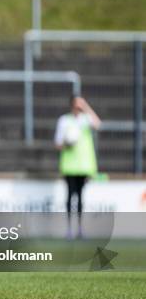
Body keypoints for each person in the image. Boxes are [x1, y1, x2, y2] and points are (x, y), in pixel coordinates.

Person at [54, 96, 101, 238]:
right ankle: (69, 229)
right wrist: (67, 144)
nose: (79, 107)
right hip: (69, 166)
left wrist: (86, 106)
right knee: (69, 196)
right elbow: (57, 143)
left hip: (83, 166)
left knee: (80, 197)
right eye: (77, 104)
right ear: (71, 105)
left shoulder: (86, 119)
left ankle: (80, 229)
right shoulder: (64, 120)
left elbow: (98, 124)